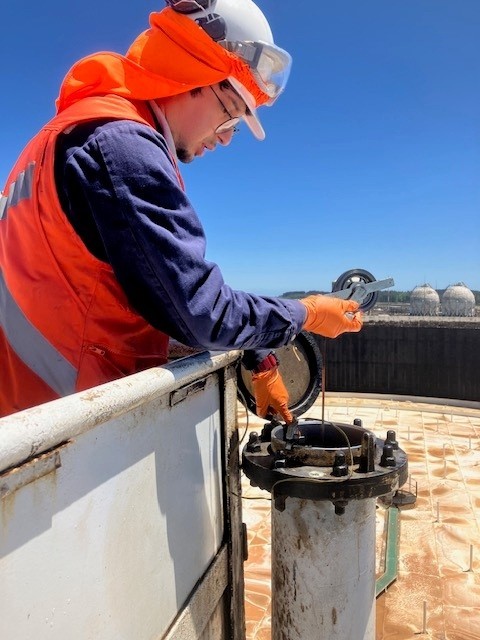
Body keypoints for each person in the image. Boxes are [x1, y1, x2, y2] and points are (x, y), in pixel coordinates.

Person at [0, 0, 362, 420]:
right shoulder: (122, 147)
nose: (226, 138)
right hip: (70, 438)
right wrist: (307, 313)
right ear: (193, 73)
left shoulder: (76, 134)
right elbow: (200, 311)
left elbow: (153, 291)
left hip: (30, 413)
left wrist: (258, 354)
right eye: (230, 113)